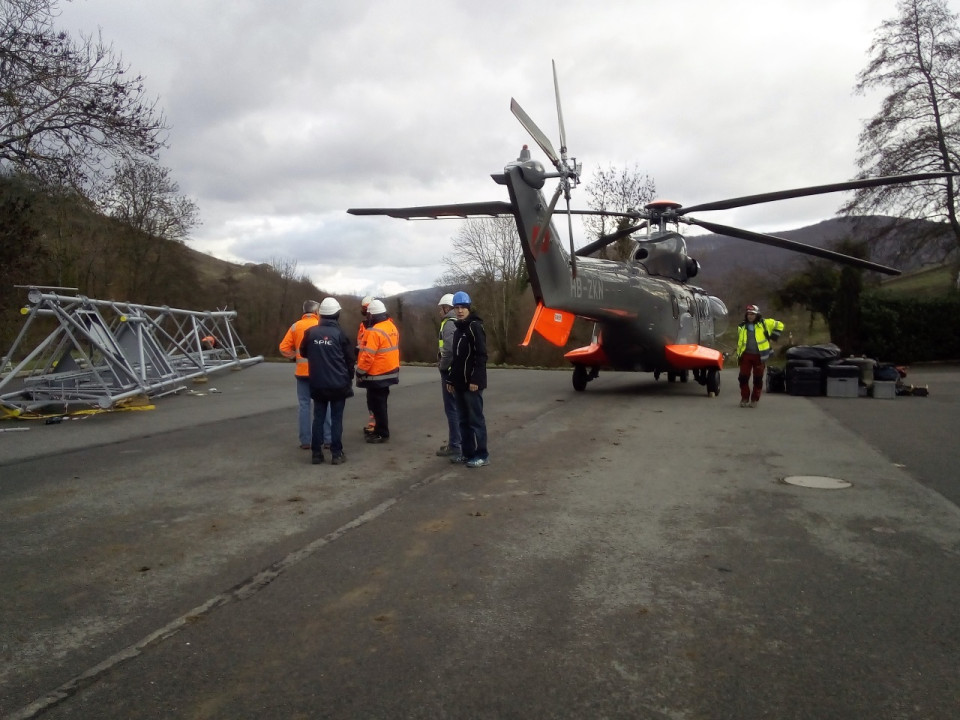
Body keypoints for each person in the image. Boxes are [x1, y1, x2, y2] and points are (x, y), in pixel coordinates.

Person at [300, 297, 355, 465]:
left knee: (318, 417)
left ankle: (316, 454)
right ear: (337, 314)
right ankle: (336, 454)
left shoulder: (310, 333)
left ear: (321, 314)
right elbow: (350, 359)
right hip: (339, 384)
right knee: (336, 418)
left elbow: (303, 352)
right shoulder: (341, 334)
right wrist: (348, 377)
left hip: (318, 383)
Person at [445, 291, 489, 468]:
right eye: (457, 307)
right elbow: (456, 359)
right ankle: (467, 453)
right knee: (463, 420)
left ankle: (482, 455)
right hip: (460, 383)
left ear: (469, 308)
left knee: (476, 420)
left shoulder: (475, 327)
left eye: (463, 307)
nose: (460, 310)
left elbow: (481, 355)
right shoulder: (458, 329)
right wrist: (450, 380)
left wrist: (476, 380)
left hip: (472, 384)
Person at [279, 300, 330, 449]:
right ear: (316, 312)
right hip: (320, 372)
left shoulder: (295, 326)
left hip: (302, 372)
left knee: (304, 406)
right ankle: (327, 439)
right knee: (325, 404)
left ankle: (305, 441)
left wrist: (294, 356)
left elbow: (283, 348)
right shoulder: (321, 326)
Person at [355, 299, 400, 443]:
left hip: (377, 374)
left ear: (372, 315)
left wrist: (360, 371)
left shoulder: (373, 331)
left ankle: (382, 432)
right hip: (389, 370)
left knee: (377, 404)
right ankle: (379, 429)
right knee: (381, 403)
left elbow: (368, 356)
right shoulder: (391, 326)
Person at [736, 304, 785, 408]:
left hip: (759, 356)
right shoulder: (742, 326)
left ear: (757, 315)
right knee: (743, 378)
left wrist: (774, 336)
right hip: (746, 356)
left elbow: (780, 324)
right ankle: (744, 398)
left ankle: (754, 399)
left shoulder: (765, 323)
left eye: (752, 314)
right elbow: (740, 342)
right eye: (748, 314)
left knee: (757, 379)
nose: (750, 316)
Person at [435, 293, 461, 457]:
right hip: (458, 371)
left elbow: (449, 350)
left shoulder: (449, 324)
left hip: (450, 372)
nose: (439, 312)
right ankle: (458, 443)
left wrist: (442, 366)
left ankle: (455, 445)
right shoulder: (460, 321)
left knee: (452, 409)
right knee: (458, 408)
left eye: (441, 308)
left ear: (447, 308)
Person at [357, 295, 377, 436]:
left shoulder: (378, 326)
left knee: (376, 397)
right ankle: (373, 422)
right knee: (370, 397)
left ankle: (376, 424)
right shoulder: (363, 325)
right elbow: (360, 344)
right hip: (365, 365)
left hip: (375, 367)